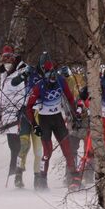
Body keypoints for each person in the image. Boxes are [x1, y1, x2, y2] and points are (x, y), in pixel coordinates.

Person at [25, 55, 75, 189]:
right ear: (44, 75)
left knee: (68, 150)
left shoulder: (61, 81)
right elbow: (28, 107)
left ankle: (74, 178)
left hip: (58, 119)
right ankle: (42, 180)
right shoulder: (39, 86)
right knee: (47, 153)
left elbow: (70, 98)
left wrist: (75, 115)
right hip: (44, 120)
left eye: (53, 75)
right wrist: (34, 125)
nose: (52, 79)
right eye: (49, 76)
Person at [0, 47, 31, 187]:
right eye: (4, 58)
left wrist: (23, 106)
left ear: (14, 58)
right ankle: (13, 174)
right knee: (13, 147)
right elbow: (2, 94)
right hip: (6, 115)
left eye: (9, 57)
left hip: (18, 114)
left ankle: (17, 174)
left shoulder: (21, 71)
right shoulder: (4, 74)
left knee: (19, 146)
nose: (6, 60)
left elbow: (25, 92)